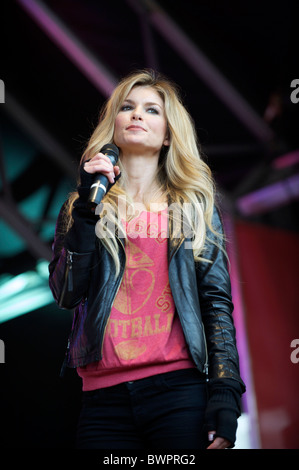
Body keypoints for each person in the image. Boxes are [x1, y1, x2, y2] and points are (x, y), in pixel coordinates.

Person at [49, 69, 245, 450]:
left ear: (169, 134)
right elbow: (65, 293)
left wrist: (225, 392)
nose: (137, 115)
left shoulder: (192, 208)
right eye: (127, 107)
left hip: (179, 391)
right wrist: (88, 209)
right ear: (115, 123)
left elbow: (216, 305)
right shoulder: (81, 207)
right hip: (102, 398)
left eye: (152, 110)